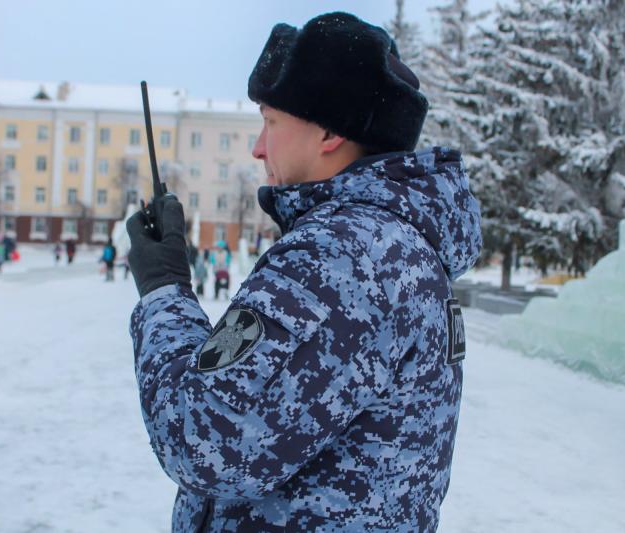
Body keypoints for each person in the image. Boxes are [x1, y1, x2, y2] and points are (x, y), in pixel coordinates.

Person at [126, 12, 482, 532]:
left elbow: (206, 439)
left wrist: (163, 291)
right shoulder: (395, 244)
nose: (258, 146)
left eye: (271, 121)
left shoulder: (341, 256)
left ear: (330, 132)